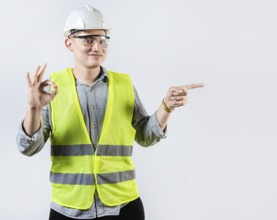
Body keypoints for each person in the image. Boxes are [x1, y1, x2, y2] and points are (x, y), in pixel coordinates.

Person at [17, 5, 203, 220]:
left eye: (103, 39)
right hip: (69, 208)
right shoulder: (52, 88)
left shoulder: (124, 84)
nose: (97, 46)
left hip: (123, 207)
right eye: (88, 39)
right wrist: (33, 108)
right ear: (69, 43)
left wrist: (166, 106)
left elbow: (145, 136)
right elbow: (29, 148)